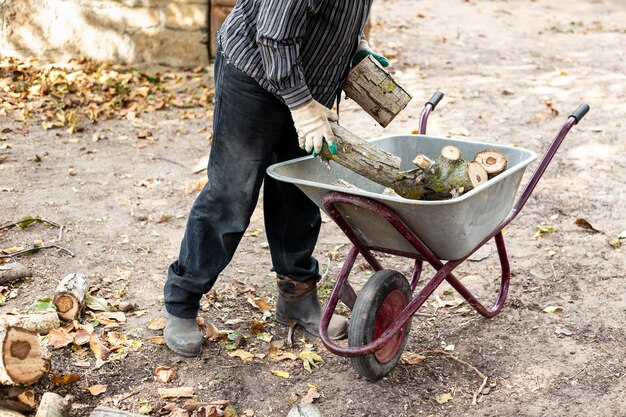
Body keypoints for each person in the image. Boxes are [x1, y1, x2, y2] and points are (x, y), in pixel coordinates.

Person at [163, 0, 389, 357]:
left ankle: (297, 296)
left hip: (309, 76)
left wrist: (354, 42)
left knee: (299, 192)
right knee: (232, 194)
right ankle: (181, 302)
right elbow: (273, 35)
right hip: (254, 71)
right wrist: (302, 109)